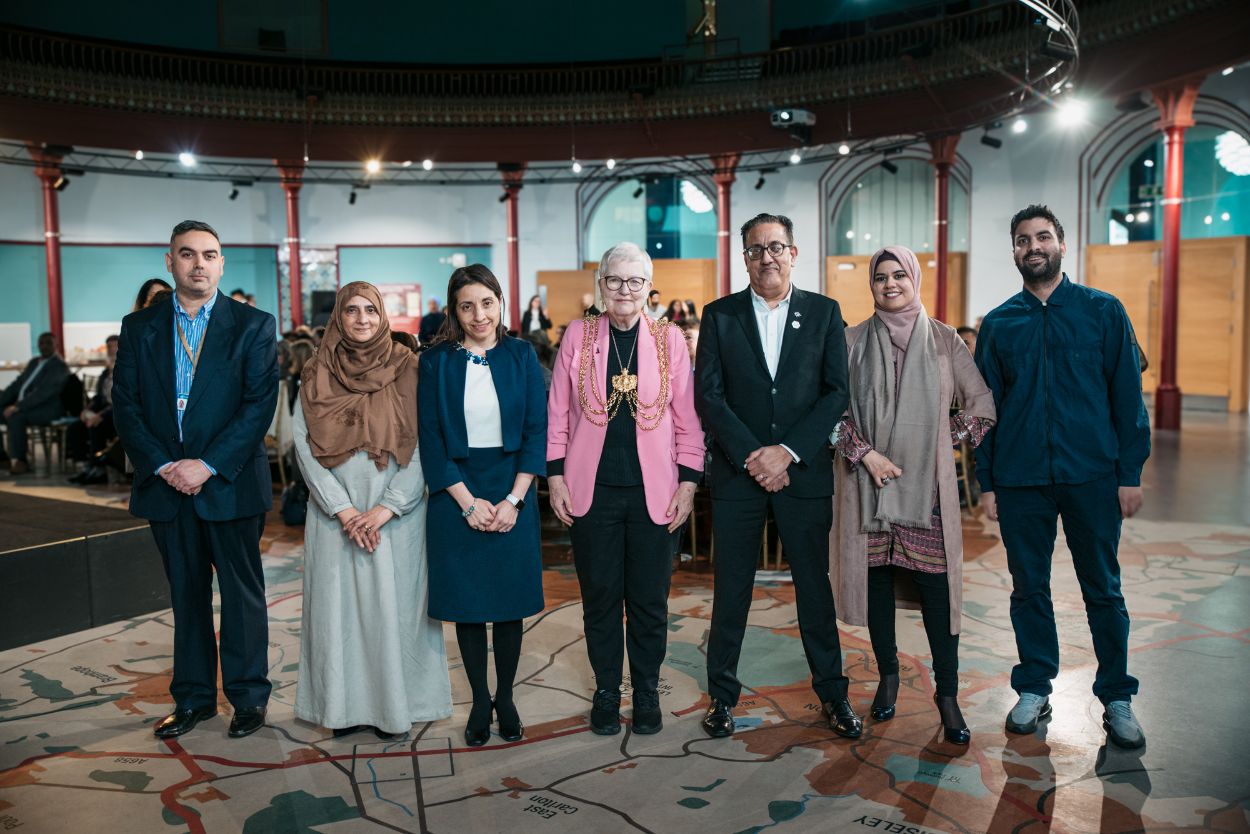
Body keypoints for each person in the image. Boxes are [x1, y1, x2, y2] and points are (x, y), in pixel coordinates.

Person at [975, 205, 1151, 749]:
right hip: (1021, 478)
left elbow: (1127, 398)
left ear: (1061, 245)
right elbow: (986, 410)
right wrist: (987, 483)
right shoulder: (999, 323)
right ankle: (1033, 687)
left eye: (1043, 237)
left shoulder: (1103, 311)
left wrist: (1130, 472)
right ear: (1014, 251)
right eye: (1023, 239)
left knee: (1103, 589)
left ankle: (1116, 696)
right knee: (1029, 589)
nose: (1034, 246)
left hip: (1092, 475)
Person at [112, 220, 279, 740]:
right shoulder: (141, 327)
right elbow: (126, 406)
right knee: (186, 597)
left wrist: (205, 465)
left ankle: (249, 698)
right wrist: (165, 466)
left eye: (209, 254)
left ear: (222, 263)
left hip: (228, 482)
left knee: (242, 595)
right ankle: (194, 700)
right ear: (170, 262)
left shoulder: (253, 324)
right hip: (166, 486)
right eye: (188, 254)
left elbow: (258, 407)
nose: (199, 264)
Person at [695, 212, 859, 740]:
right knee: (732, 590)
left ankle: (833, 695)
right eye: (756, 248)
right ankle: (721, 697)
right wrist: (753, 455)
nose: (767, 256)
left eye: (776, 247)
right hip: (738, 475)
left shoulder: (824, 313)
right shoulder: (719, 316)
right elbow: (709, 396)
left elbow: (837, 392)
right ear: (744, 256)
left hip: (802, 474)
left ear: (793, 252)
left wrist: (786, 452)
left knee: (814, 589)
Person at [830, 246, 996, 745]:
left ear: (914, 277)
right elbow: (831, 415)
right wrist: (866, 455)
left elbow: (983, 405)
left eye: (899, 274)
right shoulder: (852, 341)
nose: (889, 284)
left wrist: (942, 443)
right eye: (880, 277)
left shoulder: (945, 341)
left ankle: (947, 695)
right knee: (878, 586)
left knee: (937, 593)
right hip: (870, 487)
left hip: (928, 494)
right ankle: (888, 676)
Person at [547, 242, 704, 736]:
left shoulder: (669, 339)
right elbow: (557, 413)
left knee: (649, 600)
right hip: (590, 489)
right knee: (599, 598)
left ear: (648, 288)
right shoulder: (579, 333)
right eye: (615, 280)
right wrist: (554, 477)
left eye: (635, 282)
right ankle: (606, 690)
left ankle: (647, 688)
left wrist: (689, 484)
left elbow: (688, 421)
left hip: (654, 493)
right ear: (601, 285)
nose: (625, 291)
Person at [292, 282, 451, 740]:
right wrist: (343, 510)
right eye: (351, 310)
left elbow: (426, 442)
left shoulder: (410, 368)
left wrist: (387, 507)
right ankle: (342, 707)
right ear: (338, 317)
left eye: (370, 310)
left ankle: (398, 707)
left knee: (397, 612)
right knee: (338, 614)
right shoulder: (316, 370)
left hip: (395, 510)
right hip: (333, 513)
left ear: (383, 316)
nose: (361, 319)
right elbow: (303, 444)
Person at [418, 264, 547, 747]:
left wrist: (514, 500)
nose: (478, 315)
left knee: (508, 603)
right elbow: (430, 438)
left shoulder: (521, 355)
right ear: (454, 311)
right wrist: (467, 503)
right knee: (470, 606)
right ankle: (478, 699)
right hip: (457, 491)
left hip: (513, 487)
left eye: (486, 303)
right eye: (467, 306)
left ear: (500, 303)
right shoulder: (435, 362)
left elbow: (537, 430)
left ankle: (506, 697)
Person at [1, 331, 70, 475]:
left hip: (47, 409)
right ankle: (2, 458)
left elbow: (44, 393)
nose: (44, 346)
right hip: (27, 406)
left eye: (48, 343)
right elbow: (17, 385)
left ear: (56, 345)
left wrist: (17, 406)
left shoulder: (59, 366)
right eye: (41, 343)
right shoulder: (34, 363)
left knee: (16, 418)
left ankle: (20, 461)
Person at [68, 334, 120, 484]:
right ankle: (86, 466)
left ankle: (99, 469)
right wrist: (87, 409)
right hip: (105, 410)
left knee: (96, 425)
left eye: (114, 346)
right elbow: (99, 397)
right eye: (109, 347)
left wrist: (101, 415)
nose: (111, 350)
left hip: (118, 412)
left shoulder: (127, 368)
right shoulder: (106, 372)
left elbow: (120, 399)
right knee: (76, 426)